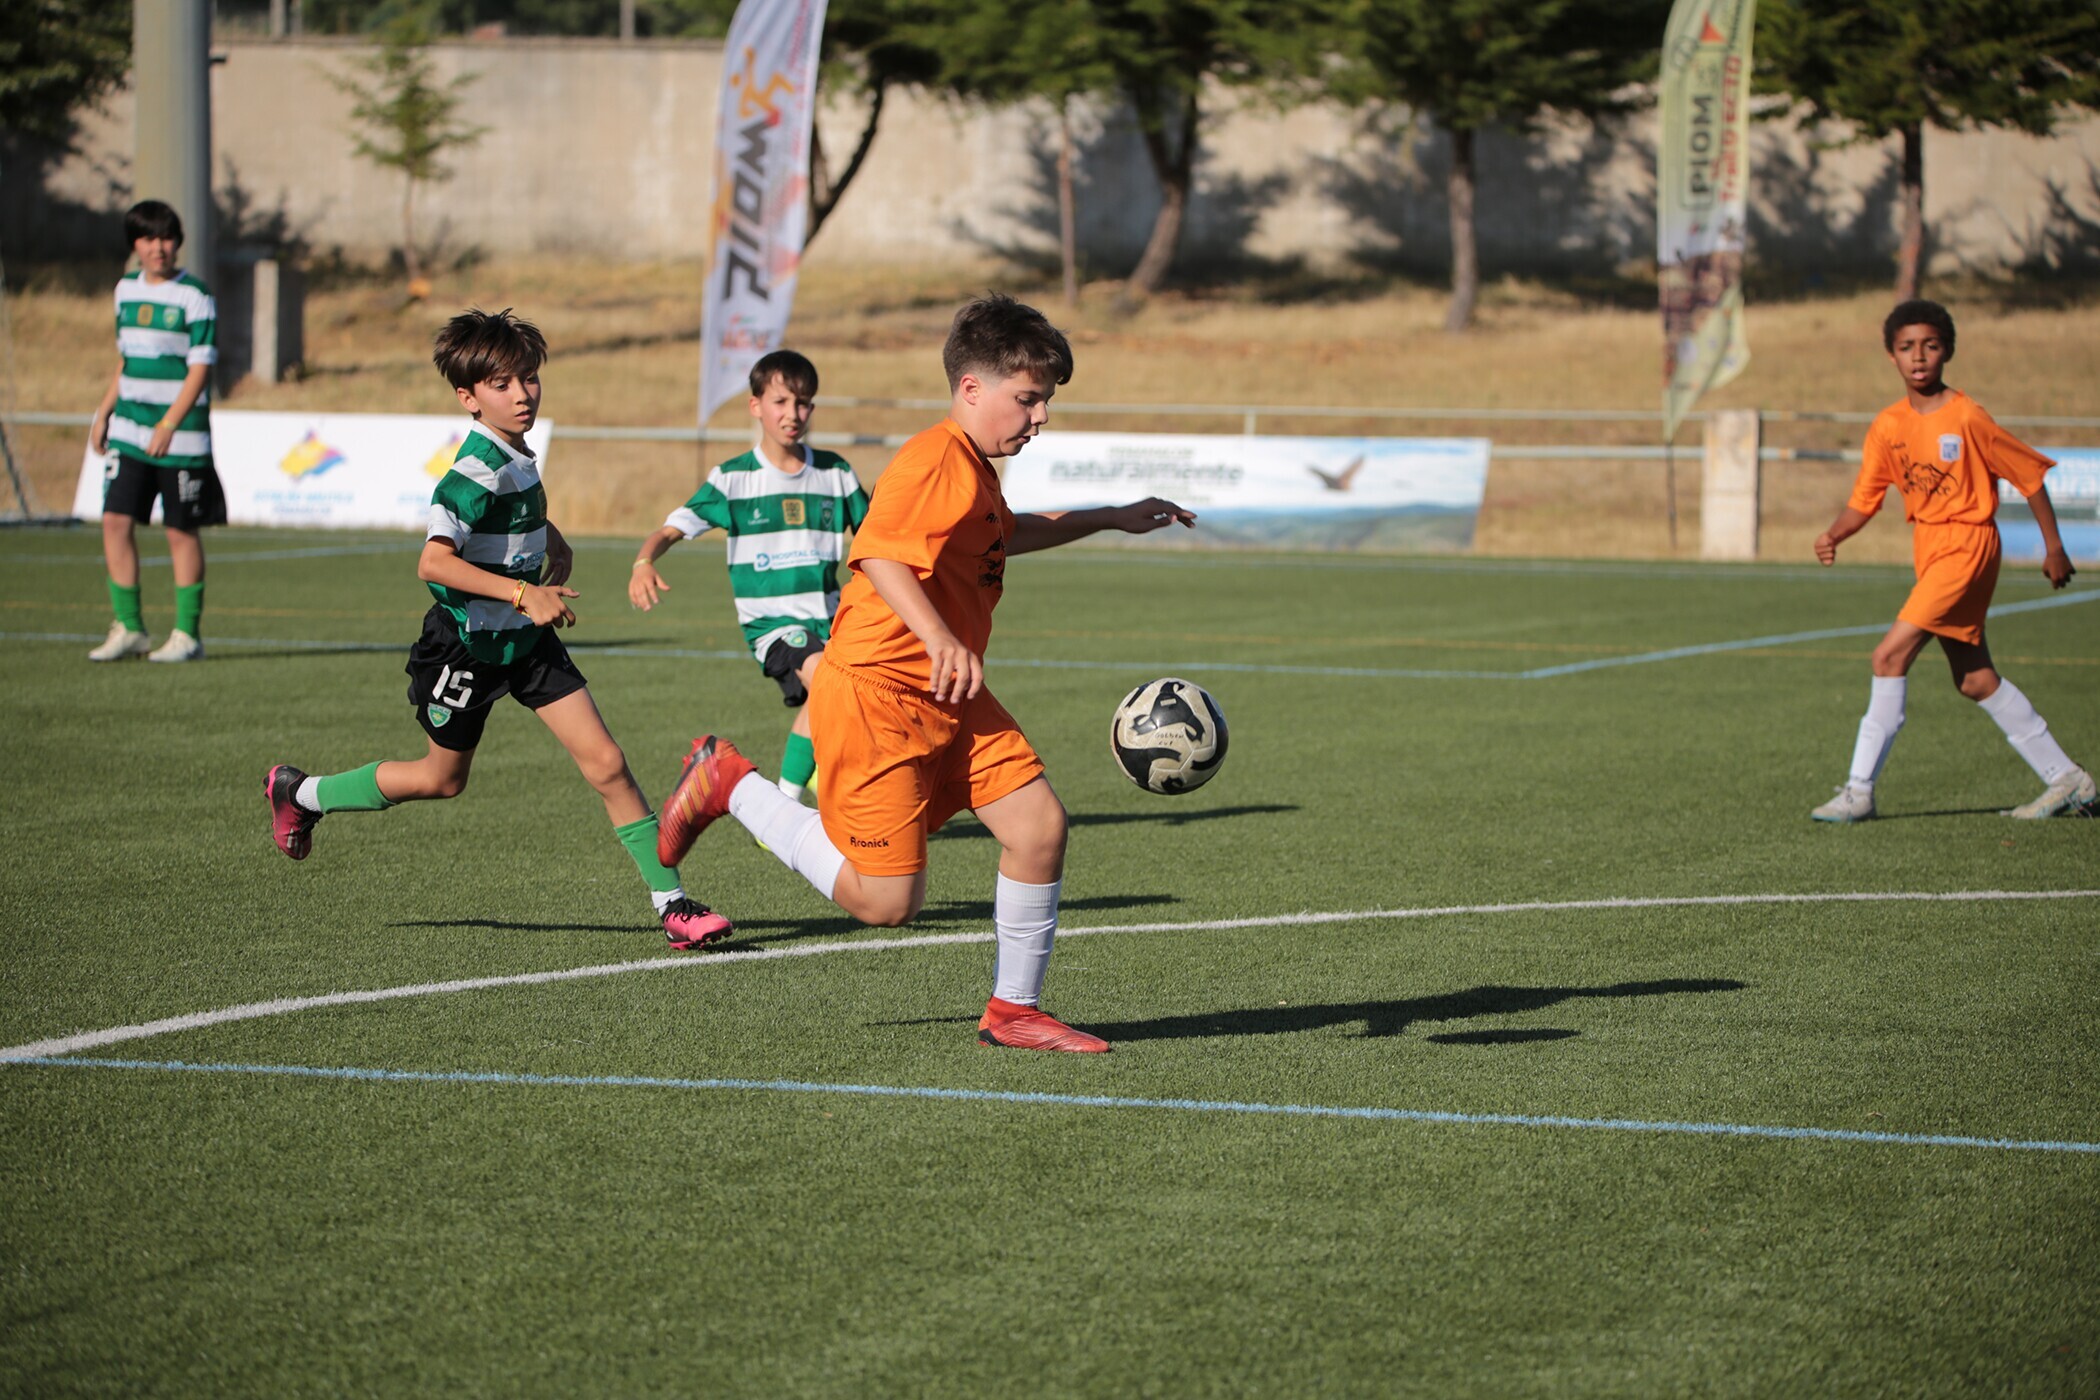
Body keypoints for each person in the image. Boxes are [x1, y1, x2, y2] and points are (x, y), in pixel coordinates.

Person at [655, 294, 1195, 1052]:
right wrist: (939, 637)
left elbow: (1003, 535)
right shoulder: (935, 458)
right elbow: (877, 550)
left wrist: (1108, 515)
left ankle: (1014, 1011)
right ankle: (729, 781)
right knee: (887, 903)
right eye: (1028, 398)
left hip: (949, 694)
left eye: (1046, 399)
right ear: (972, 388)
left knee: (1038, 826)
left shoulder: (974, 468)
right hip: (879, 693)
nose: (1041, 416)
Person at [264, 308, 732, 949]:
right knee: (441, 780)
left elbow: (512, 516)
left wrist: (549, 538)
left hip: (526, 642)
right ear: (469, 397)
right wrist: (522, 591)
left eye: (529, 379)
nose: (523, 395)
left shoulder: (518, 453)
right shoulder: (473, 471)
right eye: (503, 384)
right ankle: (302, 794)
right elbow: (433, 562)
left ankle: (673, 906)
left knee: (607, 763)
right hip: (465, 647)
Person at [1810, 299, 2093, 822]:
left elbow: (2028, 476)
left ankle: (1858, 791)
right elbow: (1864, 499)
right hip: (1930, 547)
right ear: (1891, 355)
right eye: (1906, 347)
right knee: (1974, 679)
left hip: (1968, 545)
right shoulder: (1887, 425)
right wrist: (1834, 534)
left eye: (1931, 346)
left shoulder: (1966, 416)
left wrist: (2053, 547)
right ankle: (2068, 780)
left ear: (1948, 352)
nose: (1918, 357)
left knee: (1888, 657)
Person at [629, 350, 868, 804]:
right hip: (773, 626)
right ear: (755, 405)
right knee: (828, 682)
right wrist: (644, 562)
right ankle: (788, 801)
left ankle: (812, 789)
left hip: (834, 621)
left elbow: (876, 537)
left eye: (802, 403)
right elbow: (669, 530)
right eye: (781, 402)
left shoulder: (835, 472)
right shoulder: (733, 479)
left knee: (848, 700)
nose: (792, 414)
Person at [86, 200, 227, 662]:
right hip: (129, 428)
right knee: (115, 520)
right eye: (148, 239)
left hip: (180, 436)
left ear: (178, 242)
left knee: (180, 530)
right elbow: (126, 359)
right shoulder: (125, 290)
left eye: (166, 238)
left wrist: (169, 422)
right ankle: (129, 627)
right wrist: (104, 412)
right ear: (135, 245)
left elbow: (200, 369)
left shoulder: (195, 295)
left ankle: (187, 634)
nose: (158, 247)